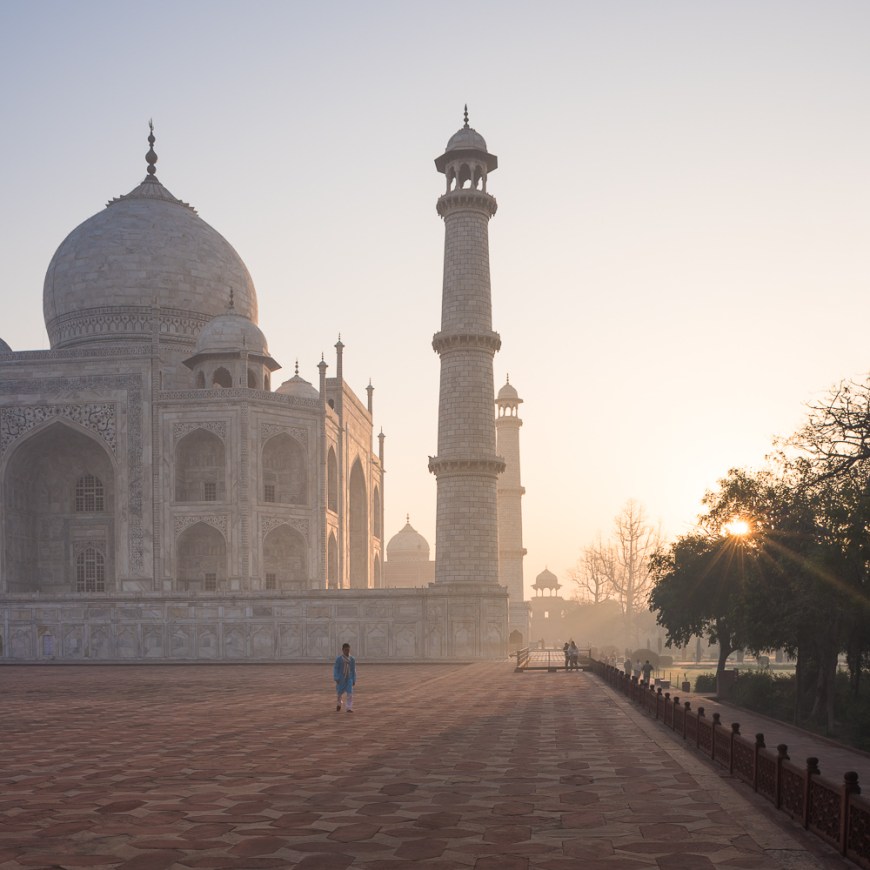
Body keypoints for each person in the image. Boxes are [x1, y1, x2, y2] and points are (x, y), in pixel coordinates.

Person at [333, 642, 356, 712]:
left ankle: (349, 707)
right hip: (341, 678)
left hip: (349, 678)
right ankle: (339, 703)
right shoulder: (339, 659)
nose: (347, 651)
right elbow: (336, 668)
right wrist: (336, 677)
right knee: (339, 693)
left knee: (350, 693)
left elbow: (353, 669)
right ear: (342, 650)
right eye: (345, 650)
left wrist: (354, 679)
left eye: (348, 650)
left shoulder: (352, 659)